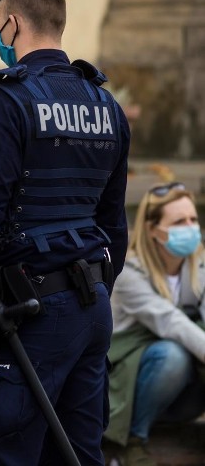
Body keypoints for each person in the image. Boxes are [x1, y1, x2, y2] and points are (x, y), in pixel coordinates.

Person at [0, 0, 131, 465]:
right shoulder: (104, 103)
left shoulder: (4, 101)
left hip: (27, 314)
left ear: (13, 22)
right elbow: (114, 222)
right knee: (77, 454)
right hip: (91, 310)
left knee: (4, 449)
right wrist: (96, 290)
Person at [103, 182, 205, 466]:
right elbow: (169, 321)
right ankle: (130, 442)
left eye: (193, 219)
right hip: (128, 387)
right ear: (153, 229)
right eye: (179, 221)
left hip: (184, 397)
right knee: (173, 354)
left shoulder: (199, 267)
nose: (190, 227)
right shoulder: (129, 273)